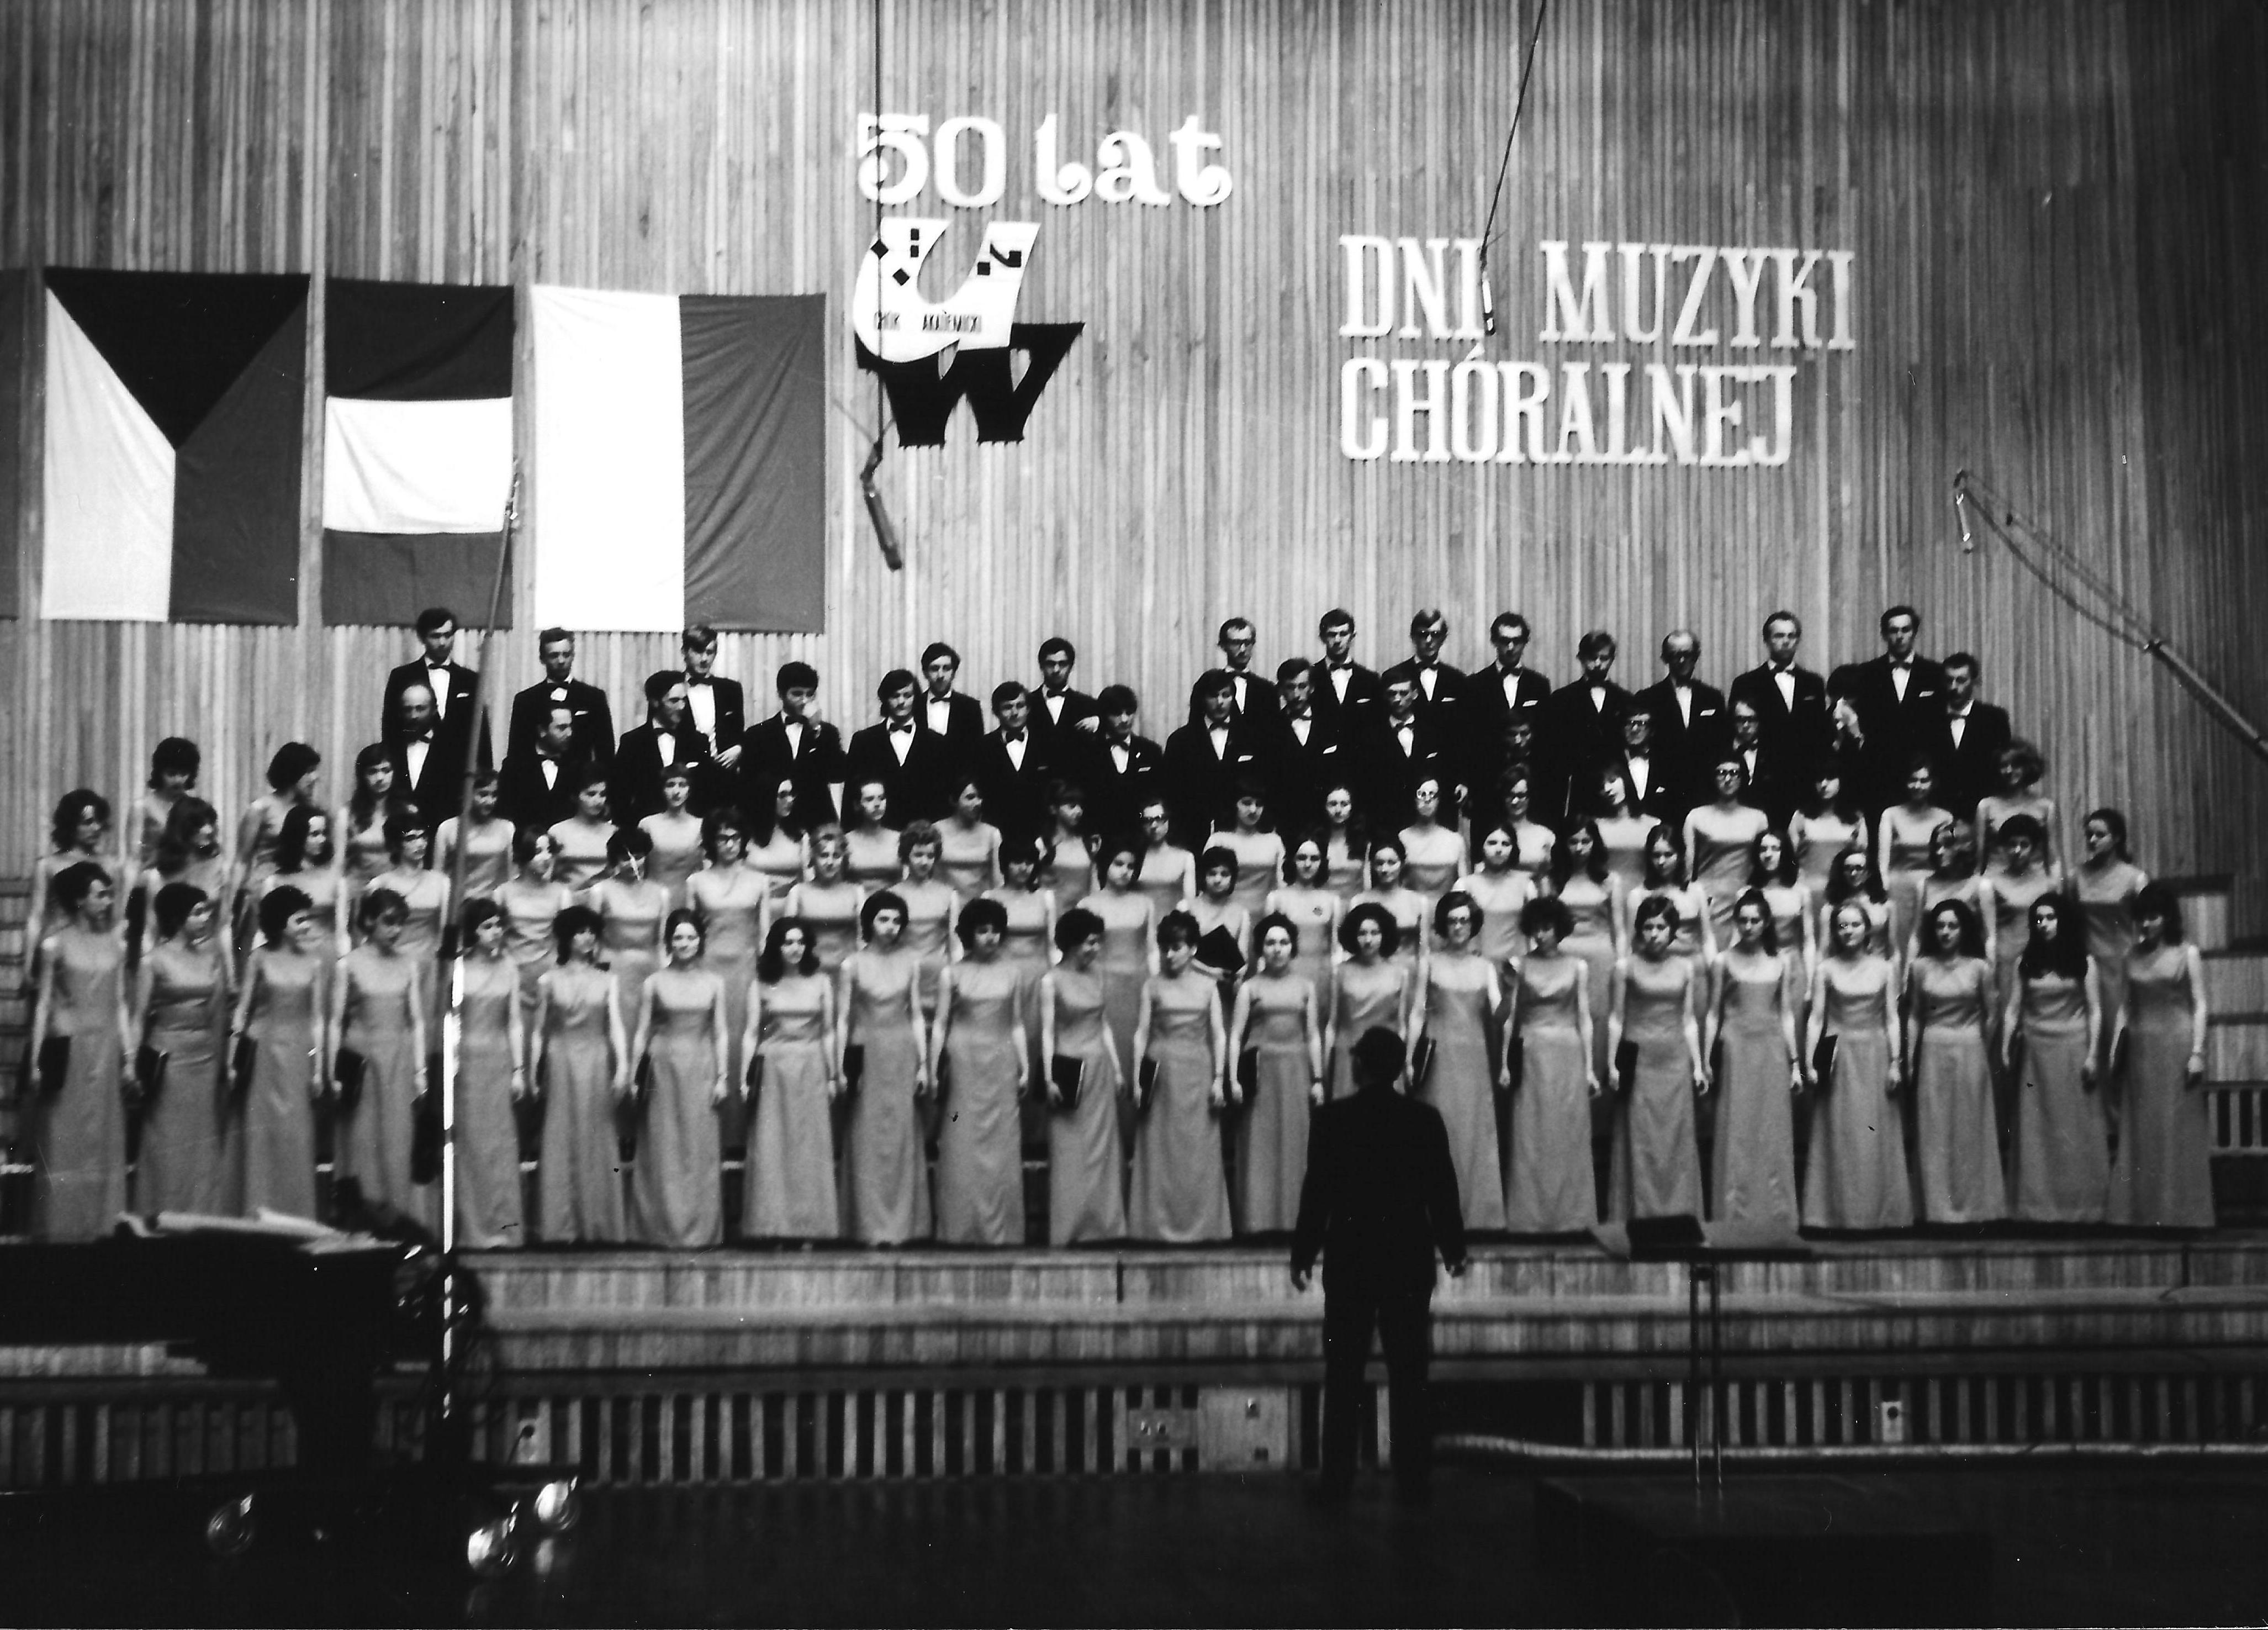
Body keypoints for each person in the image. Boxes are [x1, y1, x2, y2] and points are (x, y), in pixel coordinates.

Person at [1290, 1026, 1467, 1507]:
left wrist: (1302, 1253)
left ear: (1359, 1065)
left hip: (1350, 1259)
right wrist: (1453, 1248)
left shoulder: (1332, 1119)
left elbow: (1317, 1193)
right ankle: (1414, 1480)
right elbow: (1441, 1190)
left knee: (1343, 1374)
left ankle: (1336, 1481)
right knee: (1410, 1373)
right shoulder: (1423, 1119)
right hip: (1408, 1260)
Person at [24, 864, 131, 1238]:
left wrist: (130, 1056)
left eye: (109, 893)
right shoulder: (54, 944)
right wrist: (35, 1060)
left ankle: (103, 1226)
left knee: (103, 1136)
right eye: (100, 894)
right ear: (79, 900)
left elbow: (121, 1002)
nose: (108, 901)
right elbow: (43, 1004)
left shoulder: (117, 944)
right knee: (65, 1137)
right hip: (68, 1047)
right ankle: (62, 1228)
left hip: (106, 1047)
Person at [2109, 884, 2213, 1227]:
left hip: (2177, 1046)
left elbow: (2200, 1005)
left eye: (2153, 917)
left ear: (2168, 917)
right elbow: (2125, 1007)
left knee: (2176, 1128)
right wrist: (2114, 1050)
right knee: (2143, 1128)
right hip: (2142, 1050)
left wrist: (2197, 1052)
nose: (2146, 925)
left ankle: (2180, 1214)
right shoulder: (2131, 956)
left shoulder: (2187, 954)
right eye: (2141, 918)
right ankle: (2145, 1214)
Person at [1802, 900, 1911, 1230]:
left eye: (1855, 925)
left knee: (1873, 1134)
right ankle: (1836, 1216)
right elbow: (1816, 1018)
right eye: (1842, 926)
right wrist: (1810, 1061)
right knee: (1839, 1133)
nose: (1848, 931)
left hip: (1874, 1052)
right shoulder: (1825, 969)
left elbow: (1891, 1018)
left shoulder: (1885, 968)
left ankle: (1880, 1215)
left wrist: (1896, 1061)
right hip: (1836, 1053)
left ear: (1868, 929)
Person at [1129, 909, 1233, 1242]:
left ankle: (1204, 1226)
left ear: (1192, 949)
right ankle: (1155, 1227)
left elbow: (1219, 1035)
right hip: (1161, 1073)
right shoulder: (1152, 985)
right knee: (1162, 1149)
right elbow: (1141, 1034)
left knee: (1198, 1148)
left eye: (1177, 948)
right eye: (1165, 948)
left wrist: (1219, 1078)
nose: (1170, 955)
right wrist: (1137, 1078)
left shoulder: (1208, 986)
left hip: (1198, 1071)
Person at [2003, 893, 2107, 1223]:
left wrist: (2093, 1055)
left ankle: (2081, 1209)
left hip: (2073, 1048)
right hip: (2035, 1052)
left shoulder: (2084, 961)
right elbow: (2013, 1009)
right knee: (2037, 1130)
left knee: (2075, 1128)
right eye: (2039, 919)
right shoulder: (2025, 962)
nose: (2044, 924)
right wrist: (2005, 1046)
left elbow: (2095, 1011)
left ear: (2063, 921)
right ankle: (2037, 1210)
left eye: (2051, 918)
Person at [930, 898, 1029, 1244]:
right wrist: (933, 1067)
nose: (990, 937)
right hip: (964, 1059)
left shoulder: (1013, 972)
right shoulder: (951, 973)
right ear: (969, 934)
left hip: (1001, 1058)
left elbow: (1017, 1023)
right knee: (961, 1137)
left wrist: (1025, 1065)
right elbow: (940, 1024)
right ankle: (960, 1227)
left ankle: (1003, 1230)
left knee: (1002, 1142)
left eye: (996, 931)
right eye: (983, 931)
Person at [134, 882, 237, 1216]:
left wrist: (223, 1062)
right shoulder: (153, 961)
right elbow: (138, 1017)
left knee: (202, 1137)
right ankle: (162, 1213)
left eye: (206, 911)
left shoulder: (212, 957)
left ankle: (201, 1215)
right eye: (197, 912)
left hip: (204, 1055)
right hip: (168, 1057)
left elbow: (219, 1013)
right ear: (177, 917)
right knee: (167, 1138)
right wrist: (132, 1065)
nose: (205, 918)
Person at [1406, 892, 1506, 1231]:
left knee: (1473, 1133)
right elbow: (1417, 1013)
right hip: (1439, 1056)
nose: (1459, 927)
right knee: (1438, 1132)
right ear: (1443, 925)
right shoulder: (1429, 963)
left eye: (1464, 920)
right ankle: (1432, 1216)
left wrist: (1515, 990)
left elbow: (1499, 1014)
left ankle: (1477, 1216)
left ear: (1474, 924)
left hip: (1474, 1058)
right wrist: (1408, 1058)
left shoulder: (1485, 967)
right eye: (1452, 921)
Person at [530, 904, 630, 1243]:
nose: (587, 938)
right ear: (566, 937)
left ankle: (598, 1224)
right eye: (580, 932)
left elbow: (615, 1026)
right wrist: (531, 1070)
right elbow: (538, 1031)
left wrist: (623, 1066)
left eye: (591, 932)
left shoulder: (608, 980)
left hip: (596, 1059)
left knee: (596, 1135)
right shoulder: (548, 980)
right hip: (560, 1060)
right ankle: (560, 1226)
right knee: (560, 1135)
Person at [630, 909, 729, 1247]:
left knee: (699, 1146)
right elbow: (642, 1032)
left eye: (691, 937)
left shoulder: (715, 982)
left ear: (700, 941)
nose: (685, 943)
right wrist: (634, 1075)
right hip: (664, 1067)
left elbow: (721, 1032)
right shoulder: (654, 982)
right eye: (678, 938)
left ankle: (701, 1230)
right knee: (664, 1146)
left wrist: (722, 1076)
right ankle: (660, 1230)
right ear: (669, 942)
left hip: (701, 1064)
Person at [838, 892, 933, 1245]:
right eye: (883, 919)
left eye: (896, 921)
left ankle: (904, 1227)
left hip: (902, 1051)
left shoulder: (912, 962)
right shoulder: (852, 964)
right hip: (866, 1052)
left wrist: (923, 1064)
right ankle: (868, 1227)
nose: (890, 927)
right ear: (869, 923)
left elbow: (917, 1015)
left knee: (901, 1136)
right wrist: (840, 1066)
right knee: (868, 1136)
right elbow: (842, 1020)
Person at [331, 888, 430, 1222]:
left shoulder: (409, 964)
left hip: (398, 1059)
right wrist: (332, 1071)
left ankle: (399, 1215)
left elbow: (417, 1021)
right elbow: (335, 1021)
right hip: (362, 1061)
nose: (396, 930)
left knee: (398, 1136)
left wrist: (420, 1070)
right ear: (370, 921)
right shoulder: (348, 964)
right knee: (362, 1138)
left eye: (401, 923)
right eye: (389, 922)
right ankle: (364, 1216)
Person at [1904, 898, 2006, 1224]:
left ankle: (1975, 1209)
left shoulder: (1980, 968)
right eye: (1940, 926)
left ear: (1964, 929)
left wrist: (1981, 1045)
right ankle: (1936, 1210)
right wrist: (1909, 1058)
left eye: (1953, 926)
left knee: (1969, 1128)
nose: (1946, 932)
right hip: (1933, 1048)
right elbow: (1915, 1015)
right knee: (1934, 1128)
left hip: (1969, 1048)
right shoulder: (1920, 967)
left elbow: (1992, 1014)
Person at [1606, 895, 1707, 1222]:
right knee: (1642, 1138)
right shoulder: (1625, 967)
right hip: (1638, 1060)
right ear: (1639, 930)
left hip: (1675, 1059)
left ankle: (1679, 1215)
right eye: (1648, 927)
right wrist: (1611, 1064)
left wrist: (1698, 1065)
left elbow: (1689, 1020)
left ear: (1673, 931)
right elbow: (1616, 1019)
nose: (1654, 934)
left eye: (1661, 927)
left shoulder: (1686, 967)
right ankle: (1642, 1216)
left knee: (1675, 1137)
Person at [1706, 890, 1802, 1228]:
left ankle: (1775, 1215)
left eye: (1755, 921)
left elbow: (1786, 1014)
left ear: (1766, 923)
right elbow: (1712, 1014)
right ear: (1735, 922)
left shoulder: (1782, 961)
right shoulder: (1722, 961)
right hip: (1736, 1048)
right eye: (1743, 921)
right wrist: (1706, 1059)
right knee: (1738, 1129)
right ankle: (1734, 1215)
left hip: (1772, 1049)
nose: (1748, 927)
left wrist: (1795, 1062)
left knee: (1771, 1129)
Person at [231, 886, 327, 1220]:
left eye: (308, 919)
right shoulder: (259, 957)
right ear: (279, 922)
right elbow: (242, 1011)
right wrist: (234, 1055)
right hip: (264, 1054)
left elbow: (318, 1019)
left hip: (299, 1054)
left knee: (296, 1133)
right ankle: (258, 1209)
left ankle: (296, 1212)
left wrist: (319, 1067)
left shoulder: (315, 961)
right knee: (262, 1132)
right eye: (299, 920)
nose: (307, 925)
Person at [1226, 913, 1325, 1235]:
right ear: (1261, 949)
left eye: (1284, 942)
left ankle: (1295, 1221)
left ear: (1293, 947)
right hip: (1260, 1073)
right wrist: (1233, 1078)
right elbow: (1235, 1036)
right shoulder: (1250, 987)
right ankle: (1258, 1222)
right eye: (1270, 943)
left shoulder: (1306, 987)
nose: (1277, 949)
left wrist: (1318, 1079)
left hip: (1296, 1071)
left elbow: (1313, 1035)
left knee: (1296, 1143)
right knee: (1259, 1145)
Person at [1504, 898, 1599, 1233]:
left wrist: (1589, 1067)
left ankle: (1573, 1217)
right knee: (1532, 1133)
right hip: (1532, 1051)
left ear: (1560, 929)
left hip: (1568, 1052)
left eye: (1547, 928)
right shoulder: (1518, 964)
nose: (1541, 935)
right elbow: (1510, 1018)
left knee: (1567, 1131)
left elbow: (1584, 1017)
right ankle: (1530, 1217)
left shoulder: (1578, 966)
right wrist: (1504, 1064)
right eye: (1536, 929)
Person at [1041, 908, 1131, 1243]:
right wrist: (1048, 1077)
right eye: (1090, 943)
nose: (1096, 949)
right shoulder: (1050, 981)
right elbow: (1047, 1032)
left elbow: (1104, 1024)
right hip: (1069, 1070)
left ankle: (1105, 1227)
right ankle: (1070, 1229)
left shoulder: (1099, 974)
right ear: (1072, 943)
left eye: (1098, 942)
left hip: (1099, 1068)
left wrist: (1117, 1068)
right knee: (1071, 1153)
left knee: (1101, 1151)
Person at [452, 899, 528, 1249]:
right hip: (466, 1063)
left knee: (500, 1146)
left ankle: (504, 1230)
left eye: (499, 925)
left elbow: (514, 1022)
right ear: (473, 931)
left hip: (499, 1059)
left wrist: (518, 1069)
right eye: (487, 926)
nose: (496, 932)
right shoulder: (457, 968)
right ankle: (473, 1231)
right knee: (472, 1145)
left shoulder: (509, 967)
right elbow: (450, 1022)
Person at [685, 810, 769, 1116]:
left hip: (746, 971)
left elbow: (764, 936)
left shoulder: (760, 881)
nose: (730, 844)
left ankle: (739, 1126)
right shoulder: (696, 882)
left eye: (735, 837)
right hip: (707, 968)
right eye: (722, 838)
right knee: (708, 1038)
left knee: (744, 1037)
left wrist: (764, 975)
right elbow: (690, 932)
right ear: (712, 841)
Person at [1831, 604, 1948, 813]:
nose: (1900, 636)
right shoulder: (1866, 674)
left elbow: (1941, 729)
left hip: (1922, 780)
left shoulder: (1935, 673)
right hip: (1878, 777)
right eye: (1893, 631)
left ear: (1914, 633)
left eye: (1905, 630)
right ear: (1884, 635)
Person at [2075, 808, 2149, 1080]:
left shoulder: (2135, 878)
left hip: (2122, 966)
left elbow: (2146, 925)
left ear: (2117, 838)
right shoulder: (2076, 877)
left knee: (2119, 1040)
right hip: (2087, 965)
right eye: (2089, 835)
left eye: (2100, 835)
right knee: (2089, 1036)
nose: (2092, 840)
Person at [1080, 836, 1157, 1093]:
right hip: (1102, 985)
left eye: (1131, 866)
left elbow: (1152, 949)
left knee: (1137, 1043)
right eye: (1118, 864)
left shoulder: (1145, 903)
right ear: (1106, 865)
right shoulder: (1088, 904)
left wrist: (1156, 985)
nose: (1125, 871)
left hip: (1138, 986)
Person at [737, 659, 847, 832]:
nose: (804, 701)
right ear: (781, 694)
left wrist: (816, 730)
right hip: (772, 825)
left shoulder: (826, 733)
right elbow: (749, 783)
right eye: (797, 694)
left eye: (810, 694)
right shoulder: (757, 734)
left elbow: (838, 774)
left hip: (817, 823)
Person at [1164, 670, 1268, 851]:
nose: (1220, 702)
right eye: (1213, 696)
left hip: (1242, 833)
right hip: (1193, 834)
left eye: (1226, 695)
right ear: (1202, 699)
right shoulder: (1180, 741)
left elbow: (1263, 785)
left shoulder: (1252, 738)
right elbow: (1172, 795)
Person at [1540, 630, 1633, 821]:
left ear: (1612, 660)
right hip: (1576, 787)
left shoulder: (1625, 699)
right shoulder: (1561, 699)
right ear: (1581, 658)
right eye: (1592, 658)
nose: (1598, 664)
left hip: (1613, 787)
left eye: (1604, 658)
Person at [1463, 610, 1552, 809]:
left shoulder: (1539, 685)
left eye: (1517, 641)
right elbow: (1469, 740)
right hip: (1487, 784)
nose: (1511, 647)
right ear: (1494, 641)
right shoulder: (1475, 685)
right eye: (1505, 641)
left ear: (1525, 642)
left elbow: (1545, 737)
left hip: (1529, 786)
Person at [846, 668, 955, 827]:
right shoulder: (864, 741)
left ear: (916, 698)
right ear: (885, 699)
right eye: (895, 696)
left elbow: (943, 797)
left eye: (907, 695)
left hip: (923, 833)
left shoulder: (937, 743)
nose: (901, 702)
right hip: (877, 831)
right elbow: (851, 794)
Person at [1635, 629, 1728, 814]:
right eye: (1675, 655)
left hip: (1705, 794)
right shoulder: (1648, 698)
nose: (1682, 660)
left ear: (1696, 657)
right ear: (1665, 659)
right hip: (1663, 793)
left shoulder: (1712, 697)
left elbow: (1722, 745)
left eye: (1688, 654)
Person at [1325, 903, 1410, 1099]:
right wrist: (1325, 1071)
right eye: (1362, 933)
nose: (1368, 939)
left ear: (1385, 934)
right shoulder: (1340, 972)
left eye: (1375, 933)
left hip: (1387, 1057)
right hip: (1349, 1055)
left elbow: (1401, 1026)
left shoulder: (1400, 973)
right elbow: (1332, 1025)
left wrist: (1404, 1064)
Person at [1684, 755, 1771, 945]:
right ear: (1713, 777)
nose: (1728, 779)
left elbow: (1764, 863)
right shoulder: (1696, 816)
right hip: (1710, 900)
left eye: (1734, 773)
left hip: (1746, 900)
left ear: (1743, 778)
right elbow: (1689, 867)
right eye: (1722, 773)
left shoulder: (1758, 818)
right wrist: (1693, 898)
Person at [1727, 610, 1832, 767]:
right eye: (1779, 636)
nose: (1786, 641)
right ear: (1767, 640)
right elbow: (1735, 733)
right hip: (1764, 770)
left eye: (1791, 636)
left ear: (1798, 640)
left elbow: (1821, 730)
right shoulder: (1746, 683)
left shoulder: (1813, 683)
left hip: (1807, 769)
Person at [506, 627, 615, 769]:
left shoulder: (594, 698)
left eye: (566, 654)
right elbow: (516, 752)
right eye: (554, 656)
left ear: (573, 656)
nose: (561, 661)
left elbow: (606, 751)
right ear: (542, 659)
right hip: (538, 779)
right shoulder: (526, 701)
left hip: (581, 778)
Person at [388, 680, 488, 836]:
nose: (413, 716)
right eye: (408, 710)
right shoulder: (390, 749)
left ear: (435, 709)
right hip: (400, 838)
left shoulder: (454, 750)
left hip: (442, 835)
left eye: (420, 708)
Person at [136, 796, 234, 956]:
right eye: (200, 825)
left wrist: (230, 969)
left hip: (207, 956)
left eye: (211, 823)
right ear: (182, 828)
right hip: (169, 957)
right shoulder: (157, 876)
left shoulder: (221, 869)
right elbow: (151, 932)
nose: (209, 830)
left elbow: (224, 927)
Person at [30, 792, 124, 957]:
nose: (96, 828)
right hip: (58, 951)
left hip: (97, 949)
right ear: (71, 826)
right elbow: (36, 918)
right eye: (88, 822)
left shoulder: (112, 866)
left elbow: (116, 918)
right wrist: (28, 962)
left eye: (99, 821)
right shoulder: (48, 866)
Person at [1361, 673, 1458, 832]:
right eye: (1392, 694)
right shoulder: (1372, 735)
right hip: (1387, 820)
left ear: (1415, 694)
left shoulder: (1434, 731)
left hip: (1427, 819)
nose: (1397, 699)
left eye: (1403, 693)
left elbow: (1446, 772)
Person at [1877, 755, 1955, 951]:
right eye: (1913, 780)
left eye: (1924, 781)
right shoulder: (1891, 815)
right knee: (1900, 942)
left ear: (1932, 783)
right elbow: (1883, 863)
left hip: (1934, 887)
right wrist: (1886, 890)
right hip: (1900, 890)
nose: (1918, 786)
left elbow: (1949, 859)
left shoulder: (1945, 817)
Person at [614, 670, 713, 824]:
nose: (682, 707)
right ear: (655, 702)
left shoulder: (699, 742)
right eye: (674, 701)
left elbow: (706, 792)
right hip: (644, 829)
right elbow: (620, 796)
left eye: (684, 700)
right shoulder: (632, 742)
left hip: (688, 829)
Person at [1984, 815, 2060, 1012]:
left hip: (2038, 956)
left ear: (2034, 848)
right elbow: (1989, 933)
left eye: (2024, 845)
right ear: (2003, 847)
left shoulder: (2047, 883)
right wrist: (1991, 969)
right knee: (2007, 1013)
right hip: (2006, 958)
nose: (2017, 850)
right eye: (2012, 844)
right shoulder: (1991, 883)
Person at [592, 826, 669, 1019]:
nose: (633, 863)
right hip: (613, 970)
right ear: (615, 860)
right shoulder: (600, 892)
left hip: (650, 969)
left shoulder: (661, 893)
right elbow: (593, 941)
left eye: (639, 856)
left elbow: (662, 943)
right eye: (625, 858)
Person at [234, 742, 323, 909]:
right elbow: (242, 860)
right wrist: (233, 904)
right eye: (309, 771)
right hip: (265, 888)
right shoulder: (261, 809)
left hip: (302, 886)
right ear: (293, 772)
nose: (315, 778)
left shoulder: (310, 810)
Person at [382, 605, 480, 754]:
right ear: (422, 638)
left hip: (458, 763)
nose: (443, 642)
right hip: (415, 759)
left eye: (448, 635)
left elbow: (481, 730)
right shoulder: (401, 677)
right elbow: (390, 726)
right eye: (435, 636)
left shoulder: (470, 679)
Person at [1926, 652, 2012, 821]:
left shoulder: (1994, 719)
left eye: (1961, 680)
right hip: (1936, 814)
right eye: (1949, 680)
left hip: (1980, 815)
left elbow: (2001, 769)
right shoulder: (1929, 719)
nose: (1954, 687)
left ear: (1974, 681)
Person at [497, 829, 574, 1014]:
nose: (546, 858)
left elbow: (567, 943)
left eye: (549, 851)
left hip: (551, 977)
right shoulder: (502, 893)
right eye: (538, 852)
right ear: (524, 854)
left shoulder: (562, 894)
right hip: (512, 976)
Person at [1270, 660, 1345, 836]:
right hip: (1286, 822)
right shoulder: (1271, 728)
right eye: (1290, 687)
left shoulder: (1331, 723)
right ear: (1281, 690)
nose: (1296, 694)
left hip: (1328, 821)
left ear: (1312, 688)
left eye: (1302, 686)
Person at [784, 826, 865, 984]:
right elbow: (787, 940)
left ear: (844, 858)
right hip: (808, 974)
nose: (830, 862)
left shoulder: (856, 892)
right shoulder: (798, 892)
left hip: (846, 974)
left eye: (836, 856)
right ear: (813, 857)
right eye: (824, 855)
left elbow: (863, 940)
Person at [974, 681, 1053, 843]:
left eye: (1020, 706)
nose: (1015, 713)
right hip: (996, 837)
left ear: (1028, 709)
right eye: (1008, 707)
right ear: (996, 712)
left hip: (1040, 837)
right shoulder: (983, 747)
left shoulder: (1047, 744)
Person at [895, 822, 960, 1015]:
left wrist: (956, 978)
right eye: (918, 855)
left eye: (930, 856)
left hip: (939, 977)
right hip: (904, 977)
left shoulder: (948, 894)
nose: (924, 862)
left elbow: (955, 944)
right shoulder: (893, 895)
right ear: (906, 855)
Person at [1083, 684, 1165, 838]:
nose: (1125, 720)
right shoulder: (1089, 753)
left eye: (1129, 713)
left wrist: (1142, 820)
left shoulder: (1150, 751)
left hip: (1142, 837)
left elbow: (1158, 797)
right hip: (1101, 838)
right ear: (1104, 716)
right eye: (1117, 714)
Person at [678, 625, 748, 802]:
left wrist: (739, 749)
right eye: (698, 652)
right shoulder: (671, 688)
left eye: (709, 652)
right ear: (685, 652)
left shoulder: (731, 689)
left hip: (724, 780)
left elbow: (739, 731)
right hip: (684, 782)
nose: (704, 659)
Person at [339, 743, 415, 906]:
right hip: (357, 893)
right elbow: (339, 863)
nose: (380, 778)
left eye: (386, 771)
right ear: (363, 776)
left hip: (396, 892)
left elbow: (415, 858)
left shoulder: (408, 812)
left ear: (394, 773)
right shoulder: (347, 814)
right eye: (372, 772)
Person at [499, 700, 589, 834]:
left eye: (570, 727)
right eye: (562, 728)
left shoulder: (579, 766)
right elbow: (505, 813)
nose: (570, 733)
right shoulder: (514, 766)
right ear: (542, 731)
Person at [1268, 836, 1344, 995]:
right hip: (1284, 978)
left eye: (1314, 859)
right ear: (1292, 860)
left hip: (1321, 978)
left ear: (1322, 862)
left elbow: (1336, 950)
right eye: (1302, 858)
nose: (1308, 864)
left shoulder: (1332, 901)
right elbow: (1266, 951)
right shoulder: (1276, 900)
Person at [1976, 738, 2060, 879]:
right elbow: (1980, 858)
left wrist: (2055, 884)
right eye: (2004, 766)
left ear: (2028, 767)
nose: (2009, 771)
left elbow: (2052, 857)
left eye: (2016, 765)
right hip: (1996, 882)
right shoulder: (1986, 806)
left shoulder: (2046, 807)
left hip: (2036, 882)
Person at [1788, 762, 1869, 900]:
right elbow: (1790, 858)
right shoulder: (1801, 817)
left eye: (1830, 778)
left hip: (1844, 892)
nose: (1824, 784)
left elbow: (1862, 860)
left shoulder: (1856, 819)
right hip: (1808, 890)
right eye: (1819, 780)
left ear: (1841, 781)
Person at [1211, 779, 1287, 923]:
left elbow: (1281, 886)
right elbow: (1206, 887)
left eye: (1259, 804)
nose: (1253, 810)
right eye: (1247, 803)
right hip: (1225, 918)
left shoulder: (1274, 841)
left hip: (1265, 919)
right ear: (1235, 804)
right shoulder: (1218, 840)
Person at [435, 769, 516, 901]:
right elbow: (437, 875)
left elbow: (511, 875)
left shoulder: (507, 828)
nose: (490, 801)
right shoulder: (448, 828)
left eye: (494, 795)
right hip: (456, 903)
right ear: (468, 794)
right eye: (483, 795)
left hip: (491, 904)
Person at [1354, 836, 1430, 972]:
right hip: (1371, 974)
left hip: (1409, 971)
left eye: (1391, 863)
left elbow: (1424, 952)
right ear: (1372, 865)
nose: (1385, 869)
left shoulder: (1419, 902)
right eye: (1379, 863)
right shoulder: (1359, 902)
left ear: (1403, 863)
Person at [1749, 829, 1817, 980]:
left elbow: (1809, 942)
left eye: (1775, 849)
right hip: (1757, 968)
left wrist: (1810, 982)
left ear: (1785, 852)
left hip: (1793, 968)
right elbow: (1738, 941)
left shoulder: (1801, 893)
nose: (1768, 855)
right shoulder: (1746, 894)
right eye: (1763, 849)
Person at [1380, 607, 1467, 721]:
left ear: (1443, 639)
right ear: (1413, 637)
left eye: (1435, 634)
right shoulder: (1392, 676)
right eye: (1423, 634)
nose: (1429, 640)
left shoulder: (1457, 679)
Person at [639, 765, 706, 911]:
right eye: (670, 785)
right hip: (652, 900)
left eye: (682, 785)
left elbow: (704, 872)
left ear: (690, 790)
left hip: (687, 903)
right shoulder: (648, 825)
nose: (676, 791)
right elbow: (639, 871)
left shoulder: (700, 826)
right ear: (662, 790)